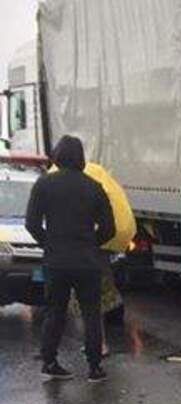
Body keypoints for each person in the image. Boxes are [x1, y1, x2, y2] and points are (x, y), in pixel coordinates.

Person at [24, 135, 116, 381]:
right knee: (91, 313)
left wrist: (49, 243)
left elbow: (31, 223)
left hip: (56, 261)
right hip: (87, 261)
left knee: (55, 311)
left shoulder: (44, 184)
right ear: (81, 158)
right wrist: (91, 244)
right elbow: (110, 228)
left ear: (57, 156)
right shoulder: (94, 187)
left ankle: (50, 360)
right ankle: (95, 367)